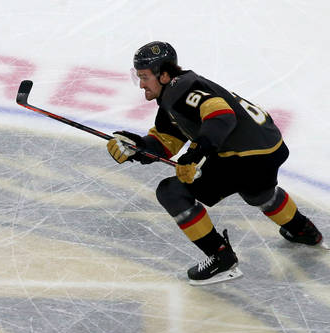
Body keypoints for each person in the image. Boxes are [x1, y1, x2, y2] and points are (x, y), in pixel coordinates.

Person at [106, 41, 322, 285]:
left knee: (171, 191)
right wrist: (136, 148)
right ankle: (304, 230)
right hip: (268, 149)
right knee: (258, 193)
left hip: (246, 157)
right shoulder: (177, 91)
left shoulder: (181, 93)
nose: (141, 84)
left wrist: (195, 156)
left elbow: (220, 115)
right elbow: (167, 140)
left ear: (164, 75)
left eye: (144, 77)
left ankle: (221, 259)